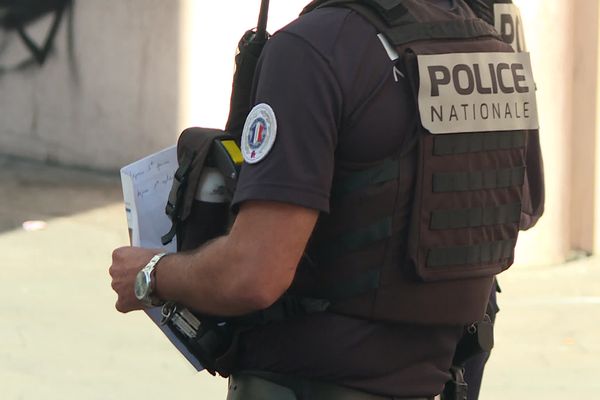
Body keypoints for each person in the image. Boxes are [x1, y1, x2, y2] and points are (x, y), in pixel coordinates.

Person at [110, 0, 544, 399]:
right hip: (442, 379)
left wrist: (152, 274)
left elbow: (254, 274)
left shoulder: (314, 49)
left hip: (310, 379)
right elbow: (522, 208)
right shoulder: (492, 45)